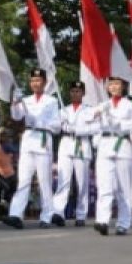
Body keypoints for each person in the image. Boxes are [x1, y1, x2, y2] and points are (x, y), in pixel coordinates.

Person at [5, 68, 61, 229]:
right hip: (29, 139)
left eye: (38, 80)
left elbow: (57, 126)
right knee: (23, 179)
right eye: (32, 81)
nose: (35, 83)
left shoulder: (51, 101)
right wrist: (15, 102)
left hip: (43, 139)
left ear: (44, 82)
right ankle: (15, 214)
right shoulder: (26, 100)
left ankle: (47, 216)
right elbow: (16, 116)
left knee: (44, 181)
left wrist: (41, 123)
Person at [93, 76, 132, 235]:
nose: (113, 87)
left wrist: (120, 124)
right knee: (104, 185)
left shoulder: (130, 105)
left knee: (123, 187)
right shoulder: (102, 105)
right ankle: (103, 220)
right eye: (111, 84)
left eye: (117, 84)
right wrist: (98, 114)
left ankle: (123, 222)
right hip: (105, 145)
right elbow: (91, 122)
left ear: (123, 86)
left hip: (123, 146)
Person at [51, 81, 99, 226]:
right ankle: (58, 212)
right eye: (72, 91)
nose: (75, 94)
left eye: (78, 91)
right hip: (66, 145)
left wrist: (78, 129)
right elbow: (55, 128)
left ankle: (81, 214)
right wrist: (64, 124)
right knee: (63, 180)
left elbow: (96, 128)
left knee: (82, 182)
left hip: (82, 145)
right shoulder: (63, 110)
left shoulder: (90, 110)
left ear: (83, 93)